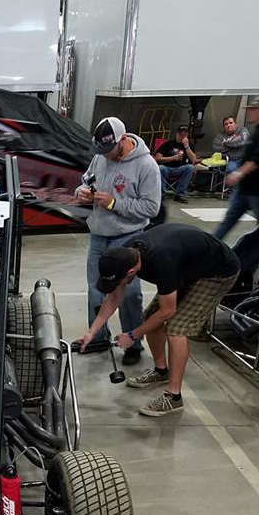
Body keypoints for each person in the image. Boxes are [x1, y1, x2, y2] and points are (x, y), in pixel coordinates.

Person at [79, 223, 239, 417]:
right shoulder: (125, 256)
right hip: (189, 267)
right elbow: (114, 297)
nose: (117, 285)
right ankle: (161, 371)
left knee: (177, 329)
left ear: (130, 273)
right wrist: (92, 332)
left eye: (118, 281)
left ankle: (174, 397)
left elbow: (167, 311)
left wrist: (132, 335)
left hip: (217, 273)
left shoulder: (162, 261)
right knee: (150, 318)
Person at [75, 117, 161, 365]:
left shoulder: (146, 165)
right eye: (101, 150)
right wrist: (81, 192)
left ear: (123, 140)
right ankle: (97, 337)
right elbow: (86, 179)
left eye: (109, 149)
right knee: (96, 288)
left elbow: (151, 207)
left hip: (128, 237)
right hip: (98, 234)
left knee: (130, 293)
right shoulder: (101, 156)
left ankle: (133, 342)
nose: (105, 155)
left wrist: (114, 203)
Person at [214, 98, 259, 242]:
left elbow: (257, 159)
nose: (250, 113)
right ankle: (211, 247)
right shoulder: (256, 130)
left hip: (257, 190)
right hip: (244, 189)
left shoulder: (252, 132)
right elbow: (217, 146)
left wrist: (238, 173)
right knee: (227, 222)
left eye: (253, 110)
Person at [154, 125, 199, 203]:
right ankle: (161, 195)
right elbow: (157, 158)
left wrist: (187, 146)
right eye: (181, 134)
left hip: (180, 168)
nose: (182, 137)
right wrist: (172, 158)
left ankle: (179, 195)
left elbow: (194, 160)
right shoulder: (168, 144)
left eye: (184, 135)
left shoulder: (189, 146)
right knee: (160, 168)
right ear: (177, 134)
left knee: (190, 167)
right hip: (167, 168)